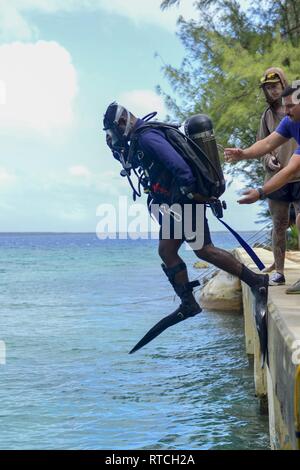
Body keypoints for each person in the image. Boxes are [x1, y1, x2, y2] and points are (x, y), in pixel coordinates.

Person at [103, 102, 269, 354]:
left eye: (114, 132)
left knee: (197, 250)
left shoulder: (147, 137)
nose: (115, 138)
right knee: (179, 251)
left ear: (123, 123)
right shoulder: (142, 137)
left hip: (181, 203)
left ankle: (251, 283)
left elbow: (179, 168)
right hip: (178, 204)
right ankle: (194, 301)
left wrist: (187, 197)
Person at [225, 82, 300, 294]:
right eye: (284, 106)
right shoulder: (290, 121)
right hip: (286, 178)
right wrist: (244, 153)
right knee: (285, 222)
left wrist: (259, 192)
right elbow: (267, 144)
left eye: (290, 106)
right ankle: (280, 271)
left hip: (295, 177)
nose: (286, 111)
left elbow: (291, 170)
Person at [257, 68, 300, 286]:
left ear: (284, 85)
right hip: (276, 178)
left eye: (275, 86)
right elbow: (262, 145)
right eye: (267, 88)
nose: (272, 91)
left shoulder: (295, 109)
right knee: (279, 224)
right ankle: (280, 271)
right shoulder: (266, 116)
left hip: (298, 175)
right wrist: (268, 160)